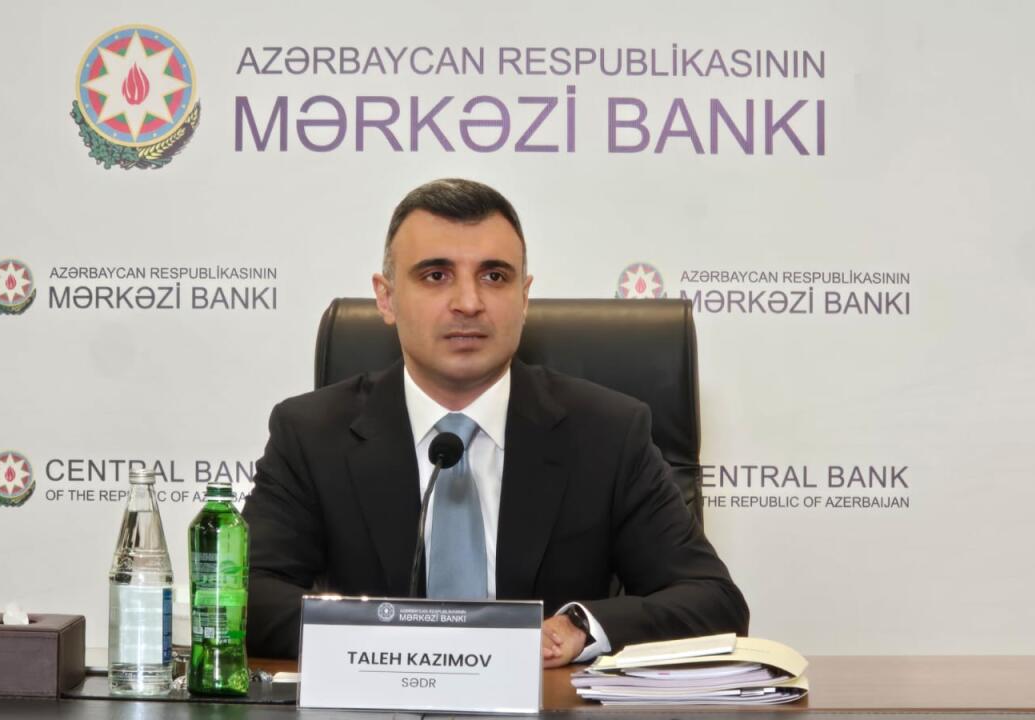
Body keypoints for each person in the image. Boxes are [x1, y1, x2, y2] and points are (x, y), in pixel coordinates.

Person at [242, 178, 748, 663]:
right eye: (436, 276)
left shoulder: (607, 433)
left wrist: (580, 626)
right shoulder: (311, 433)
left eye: (494, 276)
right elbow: (244, 598)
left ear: (524, 298)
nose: (468, 303)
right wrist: (396, 639)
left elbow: (712, 601)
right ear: (387, 297)